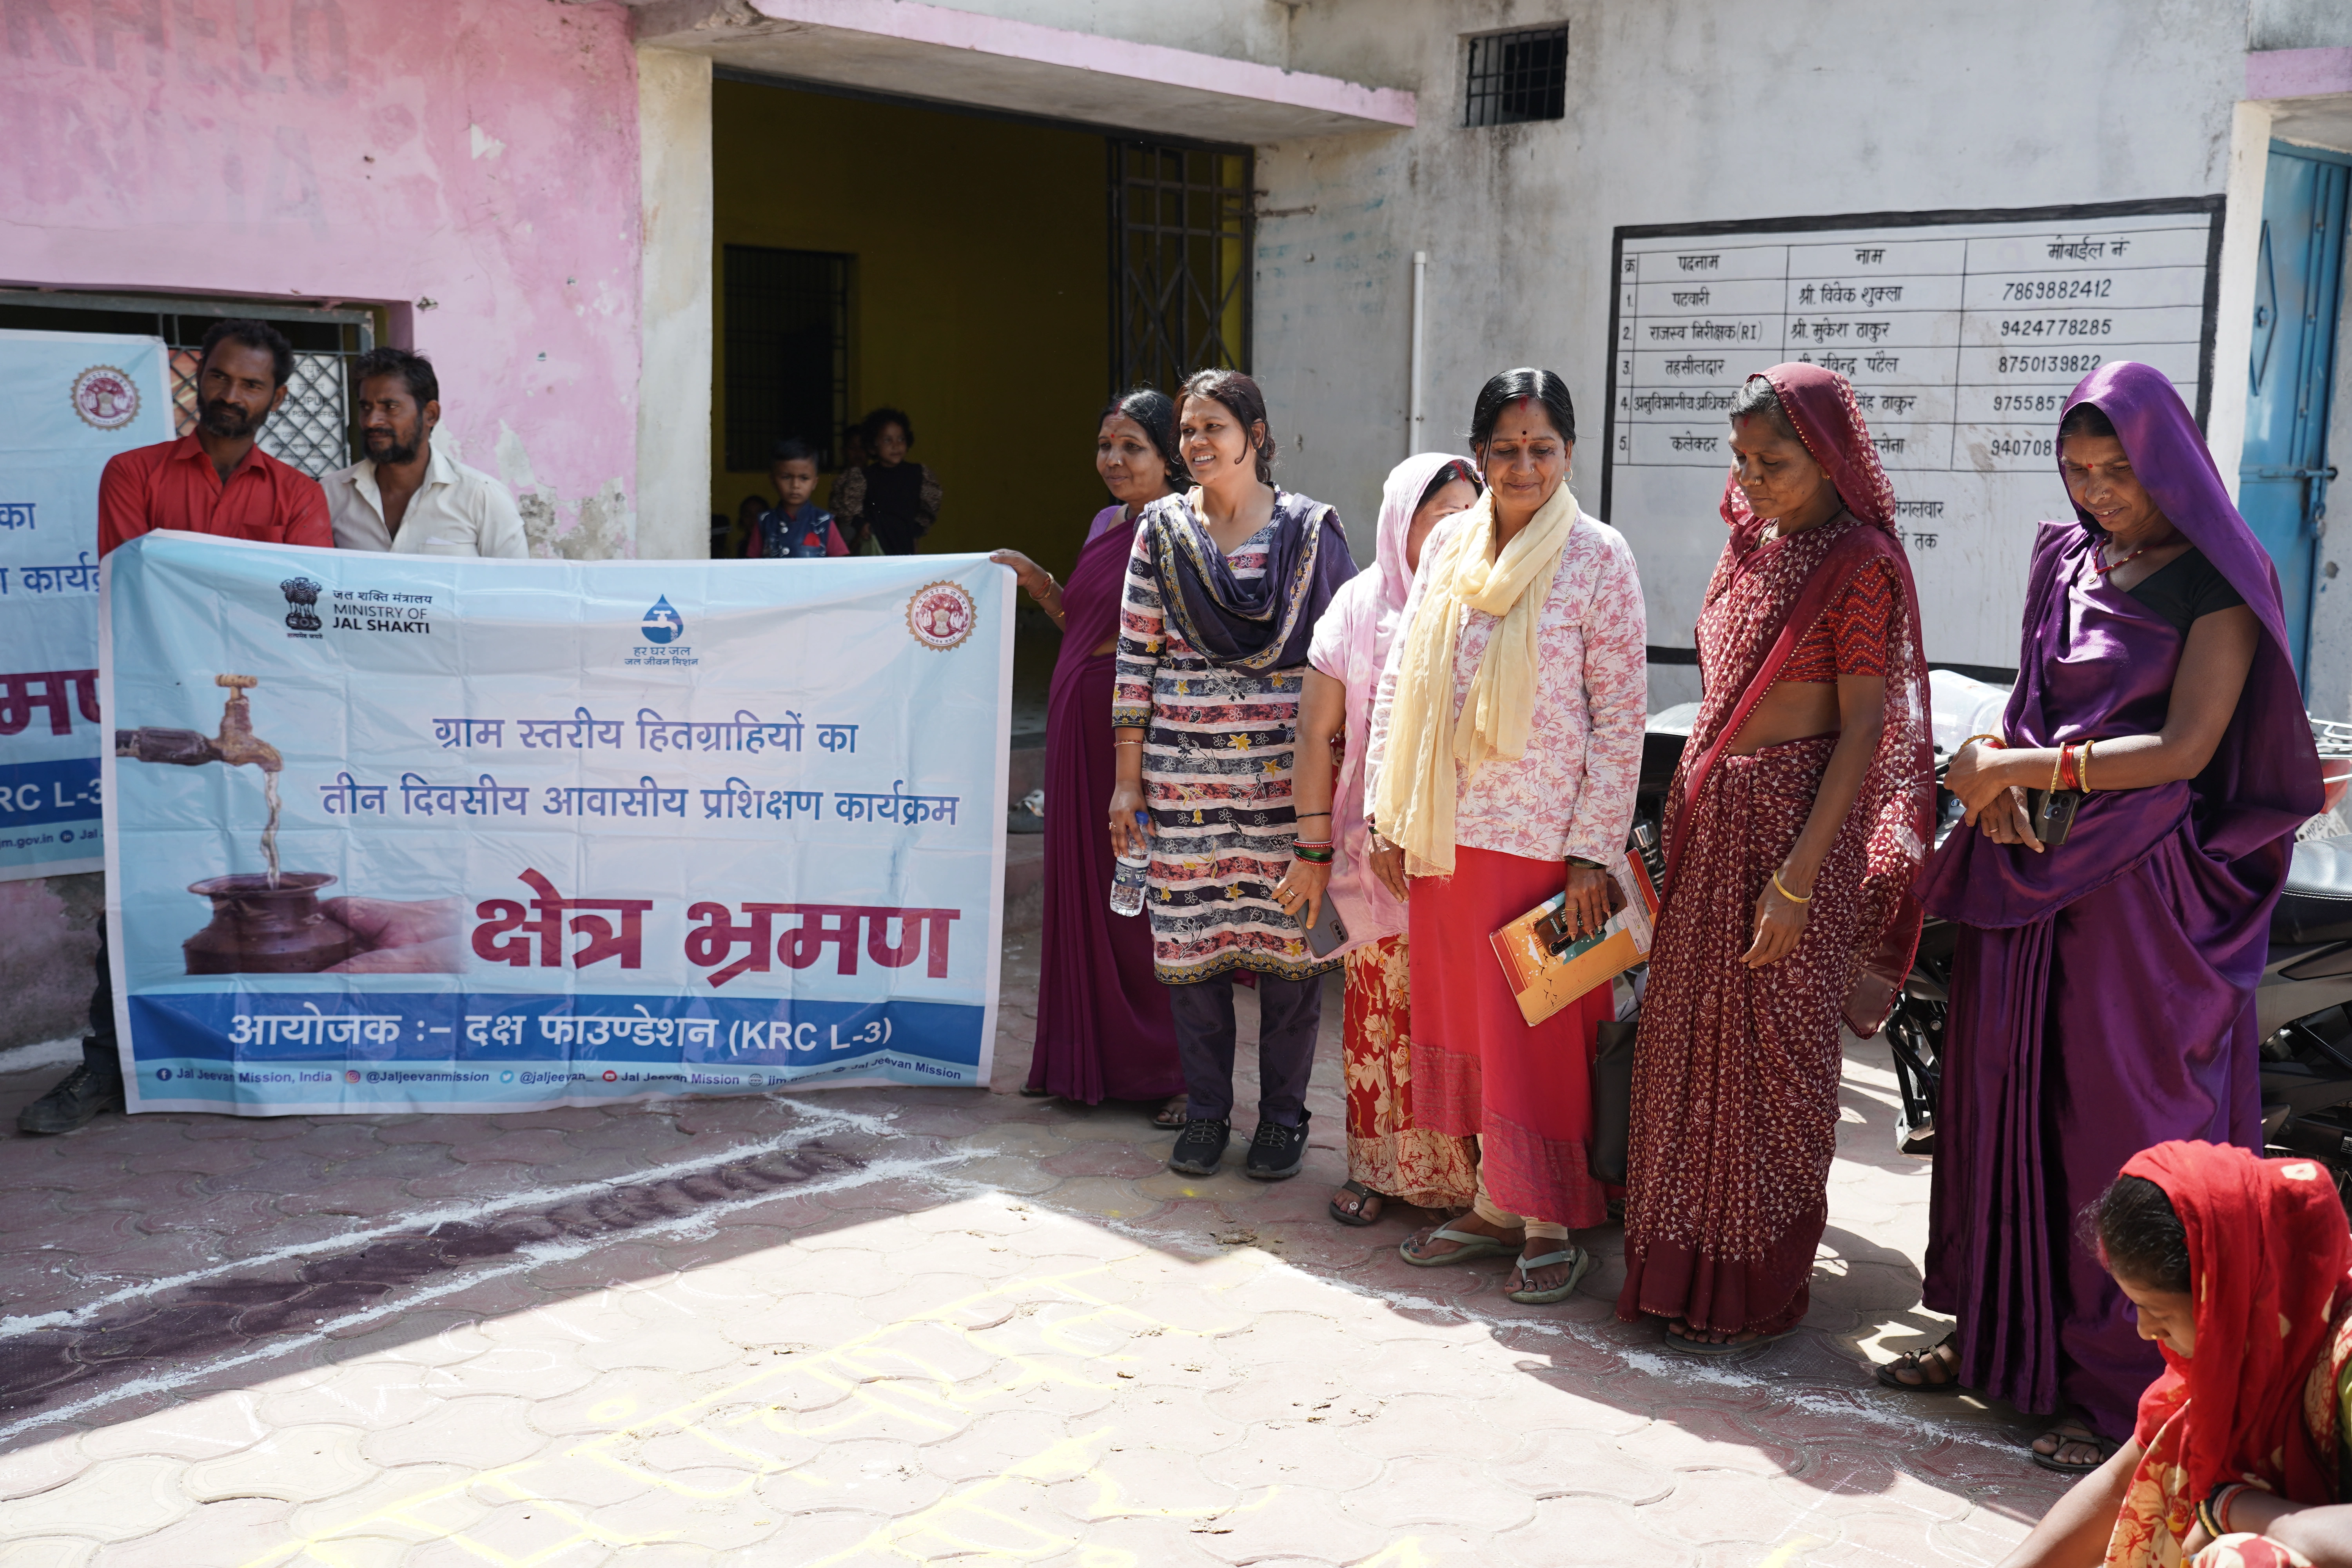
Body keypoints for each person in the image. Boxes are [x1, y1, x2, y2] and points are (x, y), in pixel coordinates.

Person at [1900, 362, 2321, 1471]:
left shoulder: (2220, 583)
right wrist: (1999, 800)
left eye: (2118, 471)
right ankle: (1999, 1341)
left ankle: (2126, 1385)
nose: (2098, 492)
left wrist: (2021, 769)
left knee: (2114, 1126)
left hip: (2142, 895)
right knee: (2000, 1103)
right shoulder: (2071, 558)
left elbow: (2184, 751)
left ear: (2167, 460)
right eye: (2080, 471)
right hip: (2034, 870)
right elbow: (2032, 700)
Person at [1615, 365, 1934, 1352]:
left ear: (1831, 459)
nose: (1752, 477)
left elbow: (1862, 727)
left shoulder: (1861, 563)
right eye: (1743, 457)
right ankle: (1673, 1273)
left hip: (1794, 837)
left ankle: (1751, 1284)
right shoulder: (1750, 548)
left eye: (1776, 460)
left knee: (1773, 1063)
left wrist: (1797, 879)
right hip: (1716, 834)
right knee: (1686, 1052)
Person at [1365, 368, 1648, 1305]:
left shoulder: (1600, 557)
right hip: (1446, 837)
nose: (1523, 466)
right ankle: (1494, 1200)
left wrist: (1591, 852)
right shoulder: (1448, 541)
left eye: (1543, 448)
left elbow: (1620, 718)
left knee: (1544, 1034)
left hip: (1544, 849)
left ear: (1570, 453)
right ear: (1478, 454)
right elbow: (1404, 681)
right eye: (1505, 449)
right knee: (1470, 1026)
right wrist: (1384, 812)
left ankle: (1550, 1216)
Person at [25, 319, 333, 1135]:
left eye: (253, 385)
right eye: (223, 378)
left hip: (268, 724)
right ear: (196, 378)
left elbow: (301, 610)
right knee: (138, 891)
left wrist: (225, 613)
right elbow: (137, 589)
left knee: (261, 888)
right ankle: (106, 1067)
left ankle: (269, 1056)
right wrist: (234, 608)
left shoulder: (298, 495)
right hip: (156, 720)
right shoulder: (131, 471)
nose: (233, 396)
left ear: (278, 396)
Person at [1108, 369, 1357, 1180]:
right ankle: (1209, 1111)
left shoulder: (1312, 532)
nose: (1198, 443)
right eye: (1188, 430)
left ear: (1255, 432)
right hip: (1184, 789)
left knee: (1291, 955)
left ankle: (1284, 1117)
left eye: (1214, 426)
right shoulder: (1161, 533)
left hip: (1287, 793)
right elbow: (1135, 657)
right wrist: (1128, 780)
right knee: (1194, 953)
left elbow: (1343, 664)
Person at [1276, 452, 1483, 1227]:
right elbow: (1314, 733)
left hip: (1471, 855)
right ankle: (1378, 1169)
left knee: (1459, 1018)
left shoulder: (1493, 600)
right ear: (1403, 518)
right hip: (1378, 854)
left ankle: (1474, 1185)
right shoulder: (1359, 606)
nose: (1459, 529)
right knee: (1379, 1016)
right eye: (1442, 514)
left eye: (1472, 512)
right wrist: (1312, 848)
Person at [1992, 1141, 2352, 1568]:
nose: (2146, 1330)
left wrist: (2227, 1507)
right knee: (2178, 1437)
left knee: (2244, 1557)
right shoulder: (2255, 1331)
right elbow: (2121, 1478)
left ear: (2226, 1296)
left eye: (2159, 1312)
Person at [990, 390, 1191, 1122]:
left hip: (1138, 733)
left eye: (1131, 446)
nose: (1112, 459)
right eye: (1105, 444)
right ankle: (1081, 1059)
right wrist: (1033, 578)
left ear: (1170, 456)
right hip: (1077, 726)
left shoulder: (1185, 528)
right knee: (1083, 887)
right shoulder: (1108, 523)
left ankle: (1174, 1071)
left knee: (1140, 894)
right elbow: (1084, 616)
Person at [324, 347, 530, 558]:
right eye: (366, 408)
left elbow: (514, 586)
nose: (371, 421)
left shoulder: (482, 497)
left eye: (390, 407)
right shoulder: (331, 494)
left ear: (431, 415)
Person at [831, 407, 941, 555]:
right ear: (872, 447)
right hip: (875, 542)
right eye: (887, 440)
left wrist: (916, 530)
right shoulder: (863, 477)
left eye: (901, 439)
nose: (896, 445)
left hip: (906, 543)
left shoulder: (919, 474)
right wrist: (861, 524)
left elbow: (930, 506)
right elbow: (846, 505)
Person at [743, 438, 849, 558]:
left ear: (815, 482)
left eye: (804, 478)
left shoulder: (824, 522)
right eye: (786, 477)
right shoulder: (765, 522)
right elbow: (752, 566)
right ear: (773, 480)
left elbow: (839, 566)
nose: (795, 486)